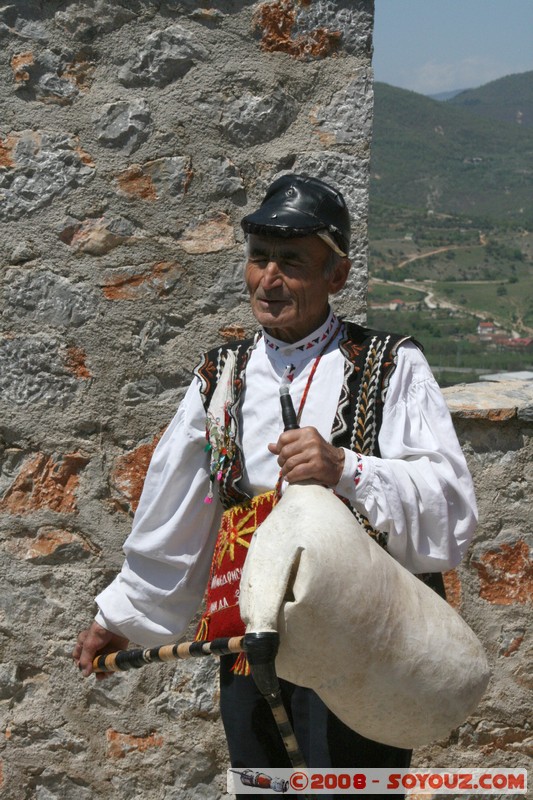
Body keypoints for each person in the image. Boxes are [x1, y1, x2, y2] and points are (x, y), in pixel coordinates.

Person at [73, 174, 477, 793]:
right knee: (262, 783)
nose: (270, 278)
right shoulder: (220, 377)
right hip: (249, 632)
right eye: (259, 259)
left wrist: (348, 468)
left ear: (335, 277)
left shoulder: (393, 365)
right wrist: (123, 614)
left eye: (292, 261)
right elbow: (175, 511)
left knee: (356, 785)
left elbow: (450, 503)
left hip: (362, 635)